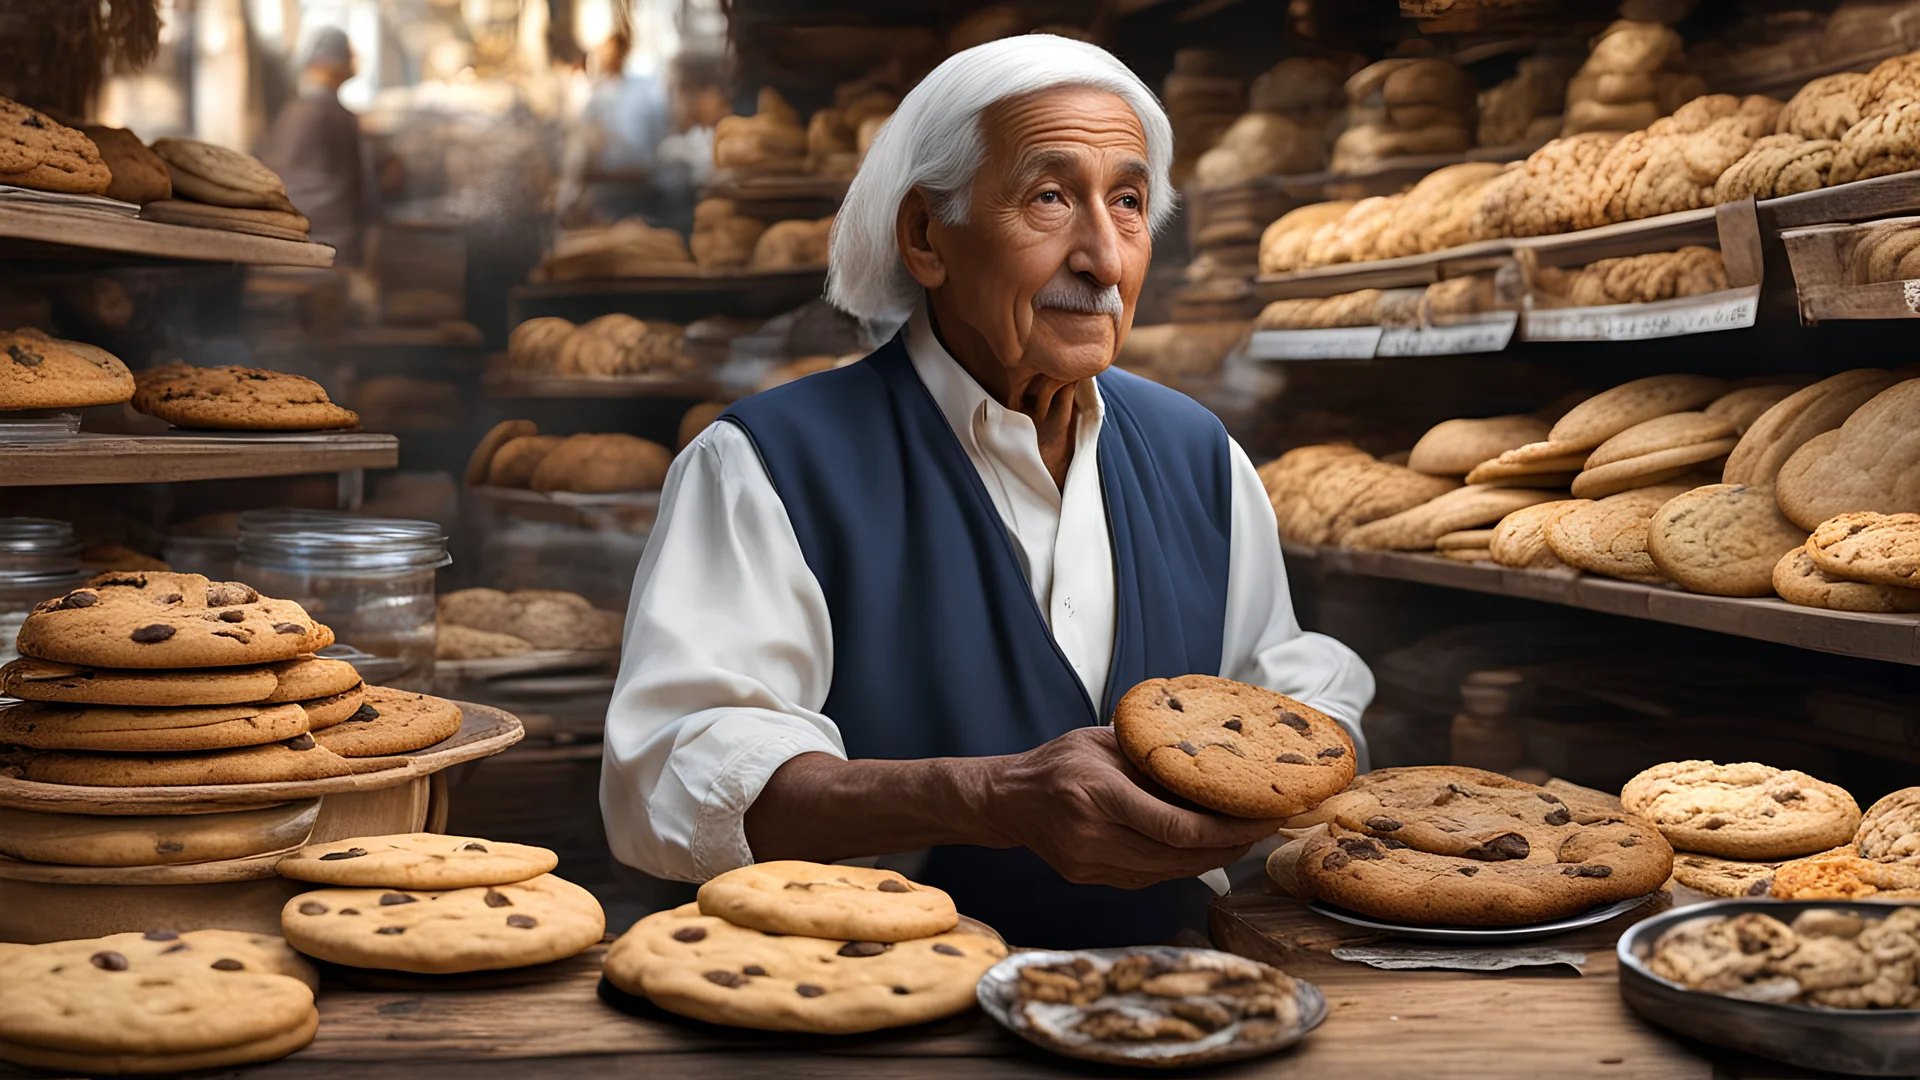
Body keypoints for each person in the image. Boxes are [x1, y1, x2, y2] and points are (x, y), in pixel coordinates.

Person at [600, 35, 1375, 948]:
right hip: (879, 1011)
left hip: (1170, 1004)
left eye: (1127, 204)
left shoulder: (1198, 453)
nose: (1101, 258)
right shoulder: (767, 463)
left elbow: (1284, 688)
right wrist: (988, 798)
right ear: (927, 236)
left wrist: (1307, 763)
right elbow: (673, 778)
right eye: (1050, 197)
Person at [255, 26, 366, 263]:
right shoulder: (330, 115)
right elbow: (360, 187)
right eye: (348, 55)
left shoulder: (294, 111)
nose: (354, 62)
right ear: (327, 63)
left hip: (295, 233)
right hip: (328, 241)